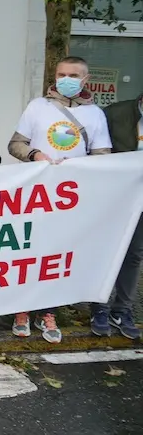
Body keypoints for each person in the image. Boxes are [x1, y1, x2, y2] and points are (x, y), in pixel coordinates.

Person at [7, 56, 111, 344]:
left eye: (73, 75)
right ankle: (21, 309)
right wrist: (35, 155)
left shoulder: (95, 115)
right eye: (61, 74)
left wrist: (81, 170)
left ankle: (47, 311)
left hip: (69, 199)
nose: (65, 79)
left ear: (85, 79)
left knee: (55, 255)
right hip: (36, 195)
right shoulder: (37, 107)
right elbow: (16, 143)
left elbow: (103, 157)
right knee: (28, 252)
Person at [90, 93, 143, 339]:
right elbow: (96, 151)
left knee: (133, 255)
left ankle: (122, 309)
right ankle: (99, 306)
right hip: (115, 196)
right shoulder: (114, 114)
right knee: (106, 251)